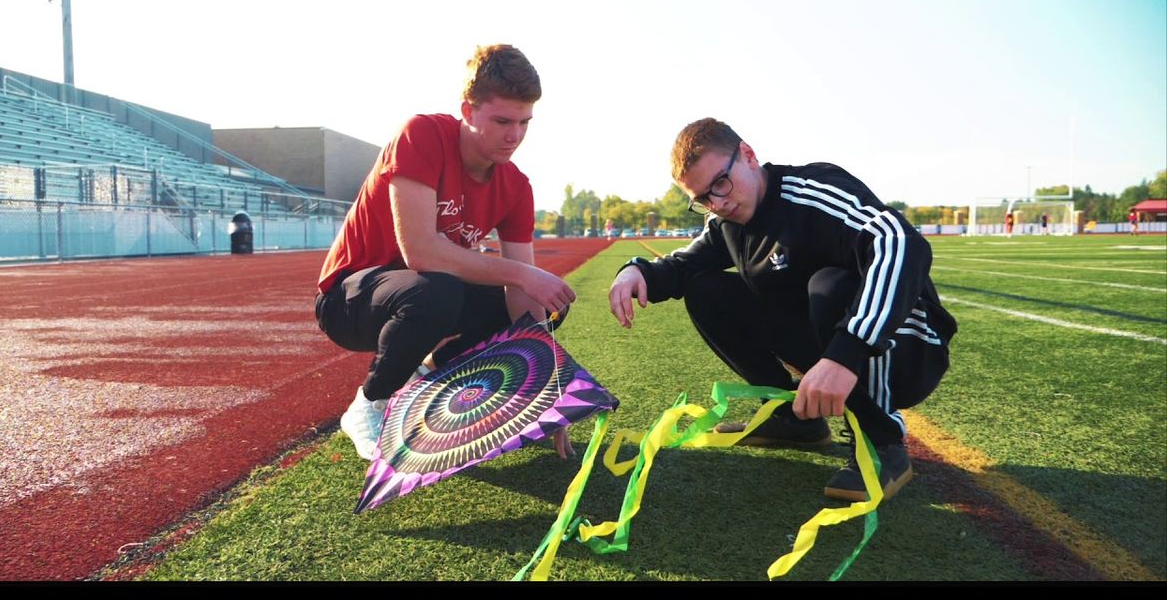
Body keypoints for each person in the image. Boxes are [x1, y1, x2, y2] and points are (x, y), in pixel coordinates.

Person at [608, 118, 957, 501]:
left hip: (908, 346)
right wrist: (636, 272)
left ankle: (881, 440)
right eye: (703, 199)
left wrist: (846, 354)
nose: (718, 203)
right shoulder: (727, 221)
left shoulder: (812, 192)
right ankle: (790, 420)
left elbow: (900, 243)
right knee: (705, 287)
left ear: (748, 155)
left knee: (830, 285)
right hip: (837, 343)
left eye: (720, 184)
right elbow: (684, 265)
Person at [316, 45, 576, 462]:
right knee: (438, 290)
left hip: (424, 298)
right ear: (468, 111)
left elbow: (523, 298)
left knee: (544, 307)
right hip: (350, 301)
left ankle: (425, 374)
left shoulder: (516, 186)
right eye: (502, 121)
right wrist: (525, 275)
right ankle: (371, 402)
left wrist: (549, 390)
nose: (515, 135)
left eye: (525, 122)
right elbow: (420, 252)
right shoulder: (421, 135)